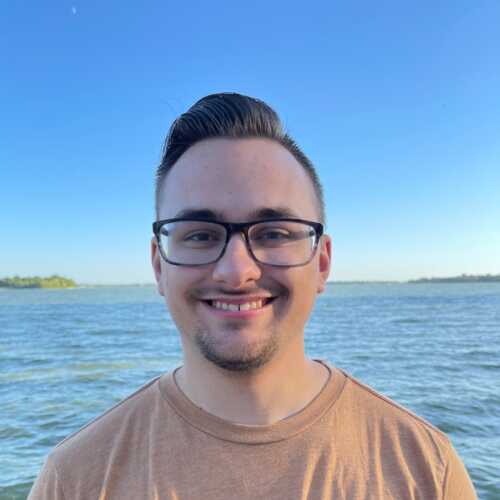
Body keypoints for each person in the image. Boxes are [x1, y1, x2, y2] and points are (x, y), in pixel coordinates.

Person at [29, 93, 477, 499]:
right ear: (159, 265)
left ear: (321, 262)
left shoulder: (425, 469)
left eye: (275, 233)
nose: (237, 270)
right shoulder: (76, 479)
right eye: (200, 235)